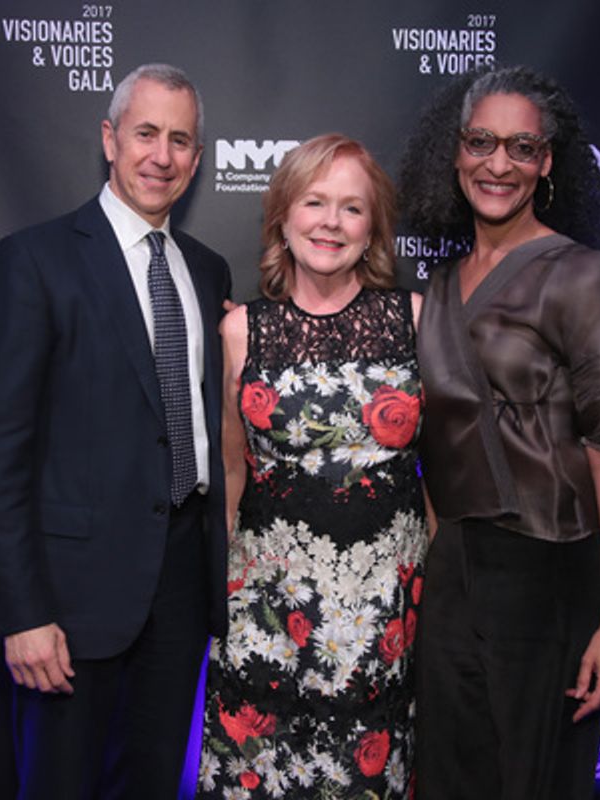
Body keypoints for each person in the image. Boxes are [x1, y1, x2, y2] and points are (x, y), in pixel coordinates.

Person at [398, 65, 600, 799]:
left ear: (547, 162)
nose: (498, 164)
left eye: (522, 147)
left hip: (548, 574)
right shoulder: (443, 282)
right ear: (454, 152)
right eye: (481, 142)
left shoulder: (583, 276)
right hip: (455, 571)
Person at [0, 63, 232, 800]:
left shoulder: (207, 272)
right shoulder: (34, 261)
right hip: (70, 598)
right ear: (110, 139)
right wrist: (23, 614)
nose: (162, 155)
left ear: (198, 159)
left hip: (180, 585)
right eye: (146, 133)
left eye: (181, 140)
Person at [197, 134, 428, 799]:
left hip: (381, 616)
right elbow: (231, 470)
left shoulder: (415, 321)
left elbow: (443, 469)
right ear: (283, 217)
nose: (331, 222)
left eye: (352, 208)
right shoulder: (242, 330)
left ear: (374, 228)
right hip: (268, 610)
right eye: (314, 202)